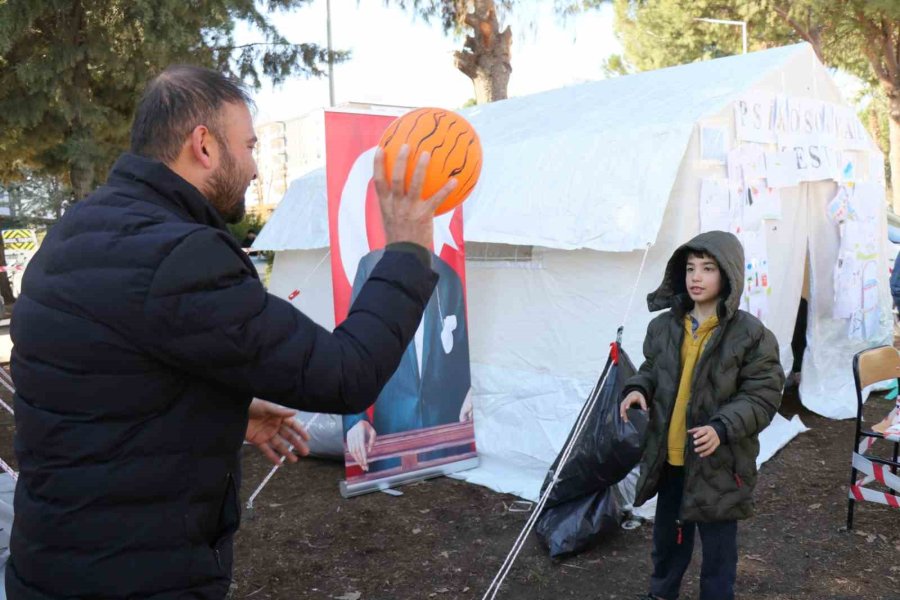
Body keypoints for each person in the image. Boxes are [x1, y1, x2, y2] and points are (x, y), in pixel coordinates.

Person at [7, 65, 457, 599]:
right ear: (204, 145)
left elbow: (95, 376)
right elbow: (346, 375)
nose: (253, 167)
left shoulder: (73, 233)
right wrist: (406, 249)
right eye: (247, 146)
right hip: (140, 578)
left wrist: (226, 409)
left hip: (49, 566)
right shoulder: (181, 255)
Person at [619, 231, 784, 600]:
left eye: (708, 269)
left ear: (728, 275)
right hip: (672, 460)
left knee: (718, 558)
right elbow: (651, 369)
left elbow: (763, 395)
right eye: (691, 268)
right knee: (668, 545)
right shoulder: (663, 327)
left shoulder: (751, 336)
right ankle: (662, 594)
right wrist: (638, 389)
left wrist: (722, 427)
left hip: (720, 468)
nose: (696, 277)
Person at [344, 249, 471, 473]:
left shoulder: (448, 276)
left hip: (445, 442)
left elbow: (460, 355)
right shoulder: (371, 267)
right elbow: (355, 348)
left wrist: (473, 392)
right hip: (390, 440)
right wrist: (355, 419)